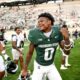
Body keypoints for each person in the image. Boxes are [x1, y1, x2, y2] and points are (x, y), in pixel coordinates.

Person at [21, 13, 71, 80]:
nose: (39, 23)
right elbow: (30, 53)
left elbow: (66, 53)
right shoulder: (34, 33)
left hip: (51, 65)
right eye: (38, 22)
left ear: (49, 22)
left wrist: (67, 39)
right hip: (39, 66)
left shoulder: (57, 31)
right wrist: (25, 68)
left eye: (41, 21)